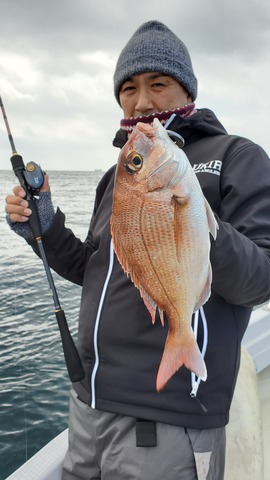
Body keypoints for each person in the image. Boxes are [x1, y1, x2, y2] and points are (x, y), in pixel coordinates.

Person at [5, 20, 270, 480]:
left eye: (158, 84)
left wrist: (195, 222)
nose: (142, 100)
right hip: (88, 404)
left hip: (169, 417)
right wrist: (44, 226)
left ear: (186, 90)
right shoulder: (121, 175)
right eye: (128, 88)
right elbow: (98, 268)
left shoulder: (236, 157)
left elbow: (262, 279)